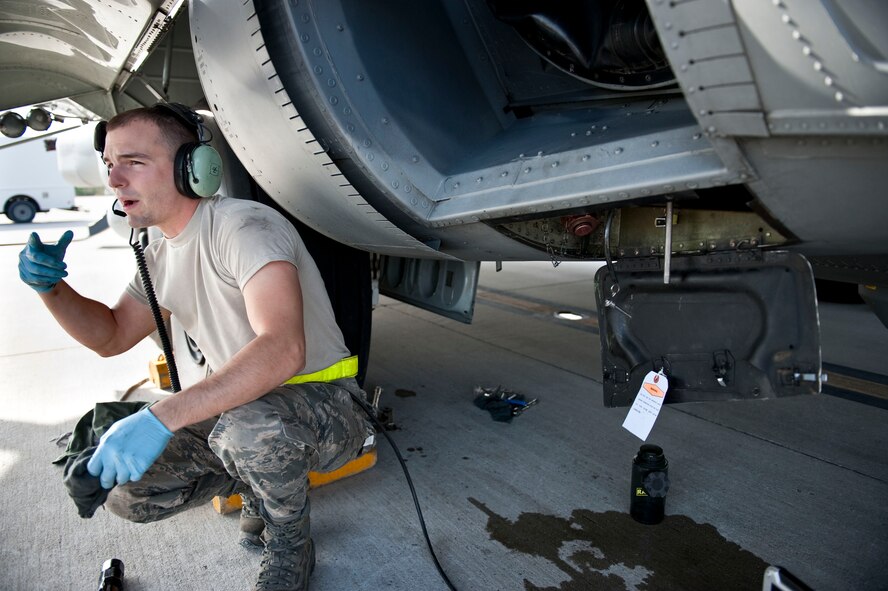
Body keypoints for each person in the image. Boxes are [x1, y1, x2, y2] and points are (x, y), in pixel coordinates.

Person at [17, 104, 374, 591]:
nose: (115, 179)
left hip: (326, 406)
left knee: (253, 430)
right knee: (126, 491)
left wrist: (160, 416)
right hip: (243, 409)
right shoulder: (160, 253)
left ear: (194, 167)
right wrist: (51, 289)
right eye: (108, 165)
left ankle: (292, 541)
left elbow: (283, 348)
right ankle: (254, 485)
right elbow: (111, 335)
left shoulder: (244, 226)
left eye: (134, 162)